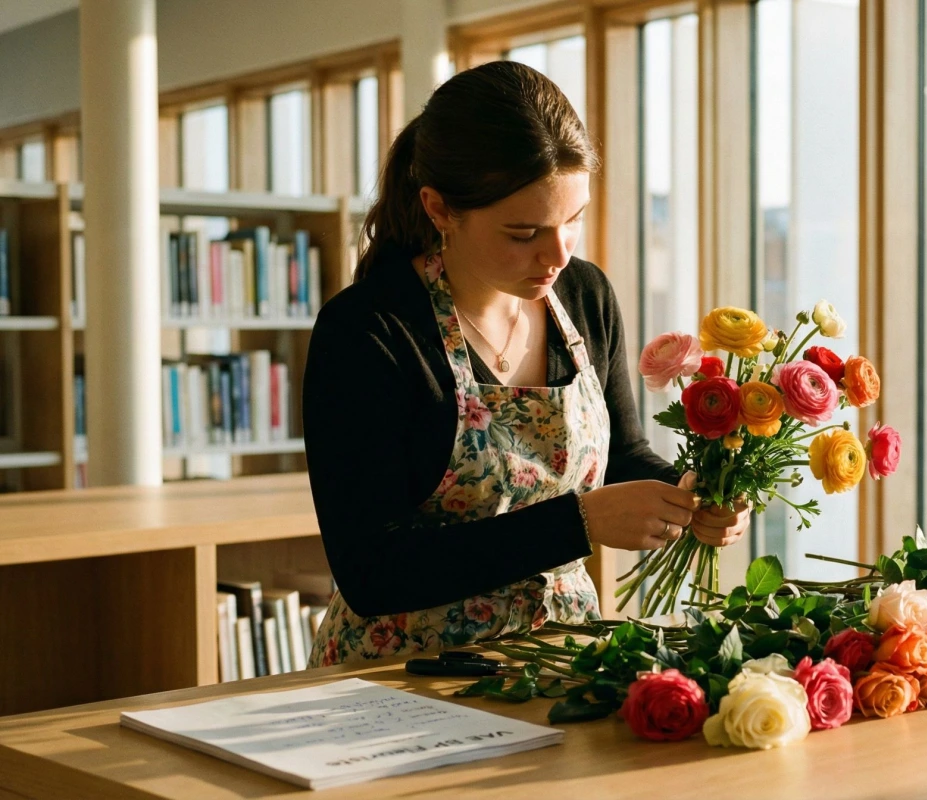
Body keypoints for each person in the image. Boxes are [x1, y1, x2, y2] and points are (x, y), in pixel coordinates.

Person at [302, 61, 749, 667]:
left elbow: (621, 456)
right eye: (523, 232)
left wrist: (689, 494)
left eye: (573, 220)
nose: (559, 254)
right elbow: (373, 571)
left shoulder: (584, 296)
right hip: (403, 679)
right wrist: (580, 523)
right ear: (439, 209)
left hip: (560, 660)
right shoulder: (370, 330)